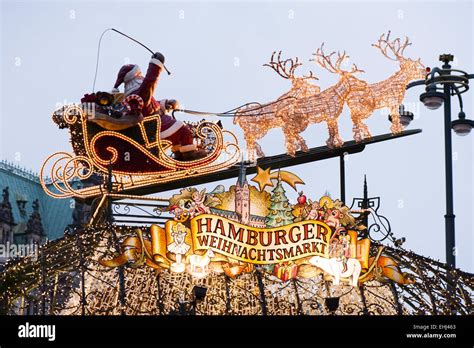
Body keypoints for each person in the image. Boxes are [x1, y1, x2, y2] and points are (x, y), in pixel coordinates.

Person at [112, 52, 207, 161]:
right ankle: (189, 155)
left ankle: (179, 155)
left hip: (156, 123)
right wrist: (156, 64)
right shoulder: (140, 93)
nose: (141, 77)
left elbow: (149, 106)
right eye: (139, 75)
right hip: (155, 127)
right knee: (184, 130)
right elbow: (149, 82)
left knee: (178, 136)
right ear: (135, 78)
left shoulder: (136, 95)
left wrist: (165, 104)